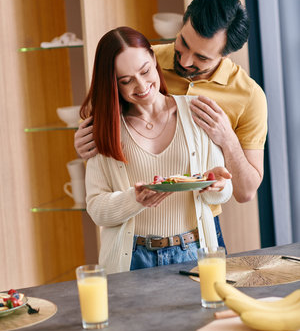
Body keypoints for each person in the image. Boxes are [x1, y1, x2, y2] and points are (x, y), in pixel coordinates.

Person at [75, 0, 267, 246]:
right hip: (137, 237)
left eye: (201, 58)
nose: (186, 60)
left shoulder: (249, 96)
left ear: (225, 55)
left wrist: (227, 138)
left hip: (197, 229)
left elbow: (245, 192)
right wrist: (84, 139)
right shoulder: (144, 63)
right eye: (183, 43)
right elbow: (105, 112)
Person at [81, 26, 232, 274]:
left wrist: (217, 185)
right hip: (132, 259)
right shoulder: (104, 129)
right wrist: (134, 199)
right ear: (112, 84)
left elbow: (223, 192)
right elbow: (97, 209)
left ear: (153, 58)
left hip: (194, 251)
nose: (141, 86)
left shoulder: (196, 111)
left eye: (145, 71)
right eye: (126, 81)